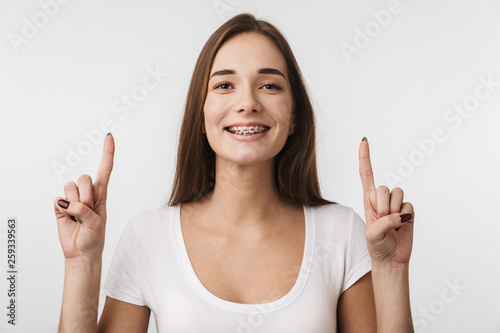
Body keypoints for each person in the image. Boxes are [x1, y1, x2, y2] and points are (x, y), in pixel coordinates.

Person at [54, 13, 414, 332]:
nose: (248, 103)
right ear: (201, 114)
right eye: (224, 84)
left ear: (293, 119)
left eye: (270, 85)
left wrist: (392, 271)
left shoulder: (342, 233)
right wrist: (80, 264)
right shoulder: (147, 237)